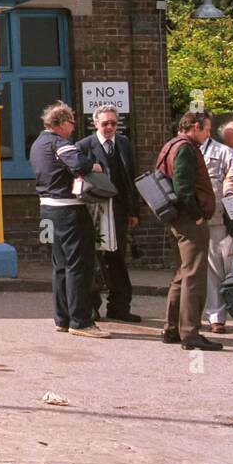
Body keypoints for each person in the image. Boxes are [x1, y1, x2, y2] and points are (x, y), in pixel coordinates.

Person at [30, 101, 108, 337]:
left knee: (60, 265)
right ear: (62, 123)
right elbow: (78, 164)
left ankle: (62, 318)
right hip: (69, 210)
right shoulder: (59, 142)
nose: (73, 127)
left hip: (47, 210)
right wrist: (93, 165)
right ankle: (81, 321)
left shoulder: (37, 144)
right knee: (79, 265)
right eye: (72, 122)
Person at [155, 112, 222, 350]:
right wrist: (196, 217)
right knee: (194, 275)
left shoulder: (172, 145)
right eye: (206, 129)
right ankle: (190, 333)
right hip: (188, 221)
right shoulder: (185, 148)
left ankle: (172, 329)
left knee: (182, 274)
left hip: (178, 219)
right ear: (195, 126)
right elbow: (183, 188)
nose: (208, 134)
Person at [76, 104, 141, 322]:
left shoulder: (123, 144)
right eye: (105, 123)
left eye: (114, 123)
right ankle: (92, 306)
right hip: (94, 210)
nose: (110, 127)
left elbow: (130, 178)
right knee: (94, 259)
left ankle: (119, 306)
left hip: (119, 210)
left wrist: (133, 211)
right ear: (95, 124)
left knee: (118, 258)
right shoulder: (84, 146)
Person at [196, 115, 233, 333]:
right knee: (211, 269)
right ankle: (216, 316)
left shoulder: (223, 153)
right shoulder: (188, 150)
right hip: (200, 220)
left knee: (229, 268)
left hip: (222, 219)